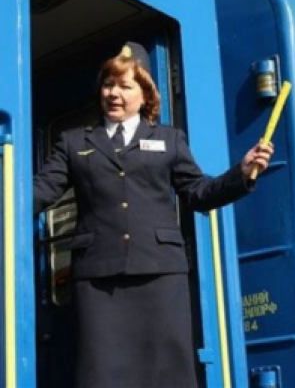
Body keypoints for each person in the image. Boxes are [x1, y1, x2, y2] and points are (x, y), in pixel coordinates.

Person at [33, 42, 274, 388]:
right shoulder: (74, 142)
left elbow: (198, 192)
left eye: (125, 85)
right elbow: (41, 190)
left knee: (166, 373)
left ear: (145, 94)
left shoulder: (169, 140)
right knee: (100, 374)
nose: (114, 94)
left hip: (160, 273)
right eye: (108, 85)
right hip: (98, 278)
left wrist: (243, 173)